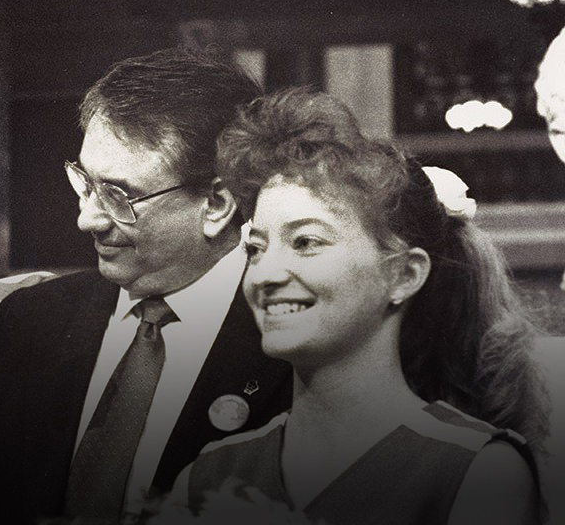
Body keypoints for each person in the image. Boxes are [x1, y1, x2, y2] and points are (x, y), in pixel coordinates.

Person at [0, 48, 293, 524]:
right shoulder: (35, 323)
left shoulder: (291, 348)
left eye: (118, 195)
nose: (87, 219)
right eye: (85, 182)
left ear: (216, 204)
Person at [167, 88, 549, 525]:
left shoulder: (478, 471)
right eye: (256, 248)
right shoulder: (208, 474)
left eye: (306, 242)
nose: (265, 275)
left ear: (404, 275)